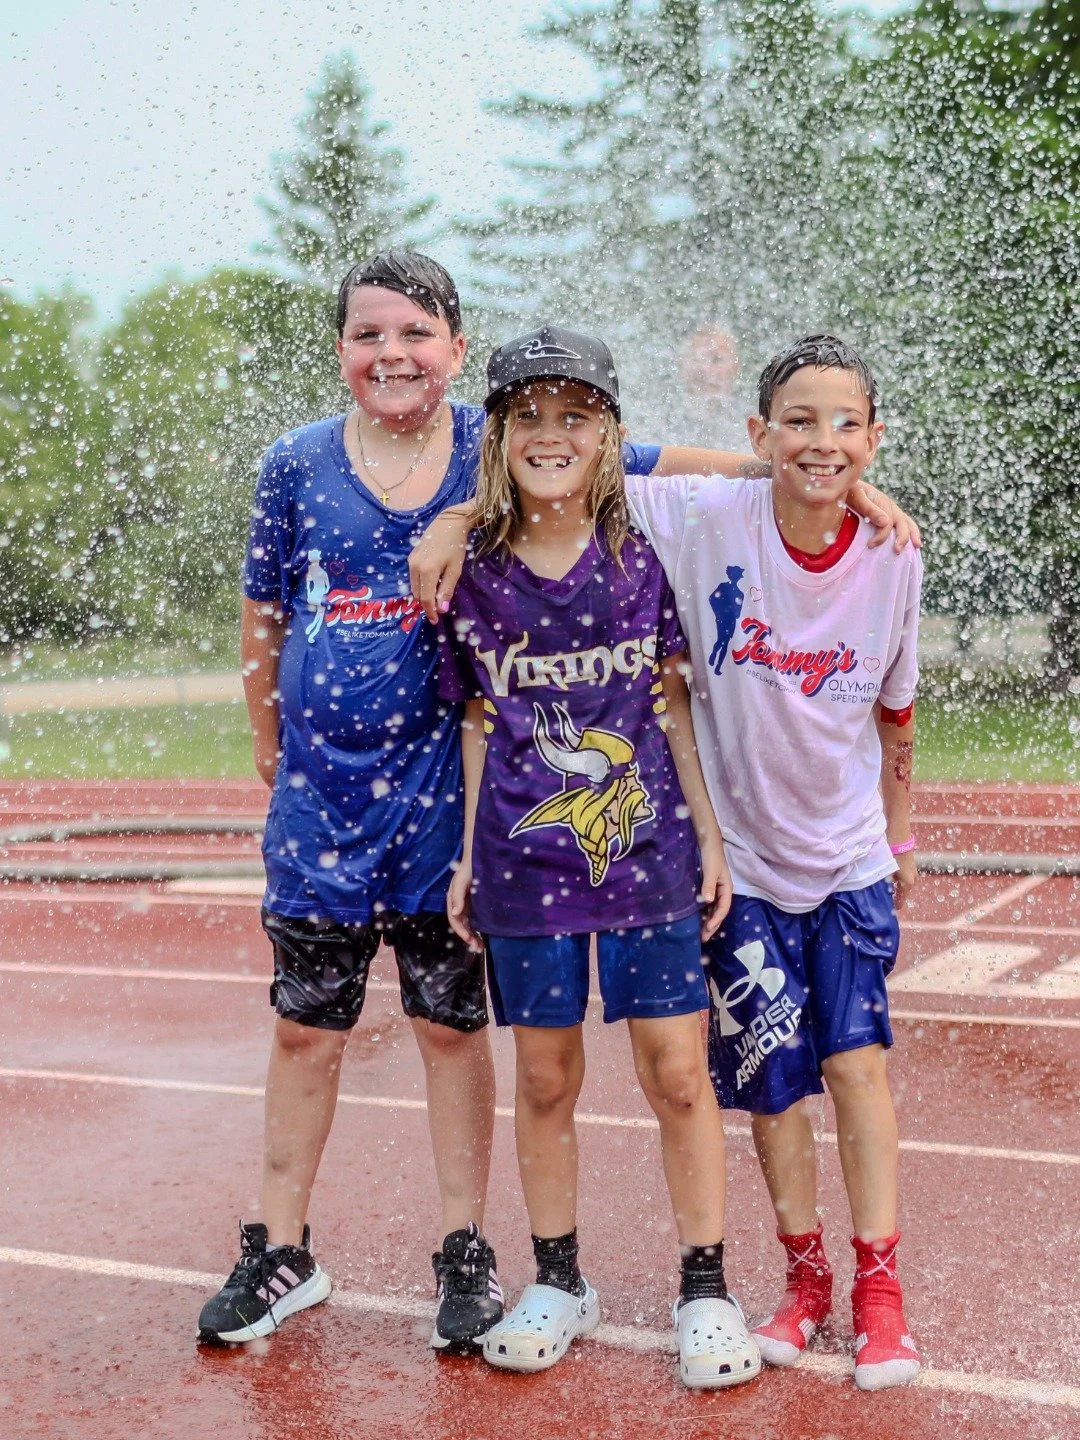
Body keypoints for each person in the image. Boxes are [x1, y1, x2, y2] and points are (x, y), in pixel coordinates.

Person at [197, 249, 794, 1354]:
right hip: (325, 812)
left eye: (415, 335)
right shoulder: (295, 465)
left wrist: (811, 471)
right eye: (369, 335)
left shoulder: (502, 435)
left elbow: (667, 464)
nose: (392, 354)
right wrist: (274, 760)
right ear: (340, 351)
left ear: (456, 352)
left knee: (449, 1030)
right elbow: (262, 626)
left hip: (448, 809)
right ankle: (282, 1246)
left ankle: (467, 1250)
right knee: (303, 1033)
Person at [439, 326, 761, 1388]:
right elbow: (481, 722)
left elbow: (671, 704)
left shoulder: (644, 553)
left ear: (610, 433)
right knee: (543, 1076)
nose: (550, 434)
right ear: (496, 435)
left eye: (574, 415)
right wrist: (464, 861)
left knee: (677, 1075)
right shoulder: (474, 572)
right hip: (526, 865)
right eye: (527, 415)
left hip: (650, 855)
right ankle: (560, 1277)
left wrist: (711, 837)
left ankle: (706, 1287)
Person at [626, 334, 923, 1392]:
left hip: (845, 861)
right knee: (775, 1090)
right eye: (797, 421)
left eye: (847, 425)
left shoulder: (895, 554)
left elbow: (897, 712)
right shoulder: (711, 517)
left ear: (876, 441)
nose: (823, 441)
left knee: (857, 1068)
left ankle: (880, 1292)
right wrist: (457, 515)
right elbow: (600, 458)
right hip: (740, 866)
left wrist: (899, 839)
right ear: (759, 435)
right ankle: (805, 1285)